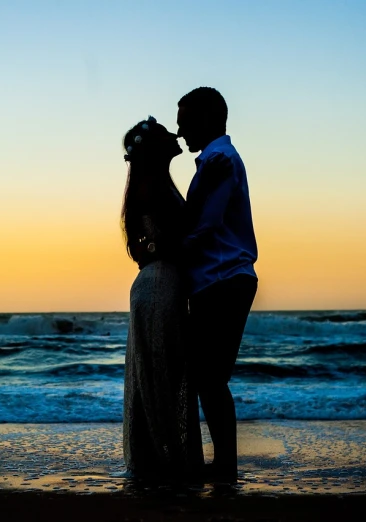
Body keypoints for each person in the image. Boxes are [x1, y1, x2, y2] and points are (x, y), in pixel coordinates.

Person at [176, 87, 259, 483]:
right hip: (217, 279)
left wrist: (172, 253)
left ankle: (225, 466)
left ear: (208, 119)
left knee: (209, 377)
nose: (179, 131)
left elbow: (205, 225)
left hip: (224, 278)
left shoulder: (220, 159)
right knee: (206, 376)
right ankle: (223, 464)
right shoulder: (213, 159)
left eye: (185, 121)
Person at [120, 116, 204, 480]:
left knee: (162, 372)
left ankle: (163, 458)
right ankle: (165, 461)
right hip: (158, 288)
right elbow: (167, 242)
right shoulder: (152, 187)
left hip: (160, 286)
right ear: (156, 147)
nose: (176, 133)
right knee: (160, 373)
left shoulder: (157, 185)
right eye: (167, 132)